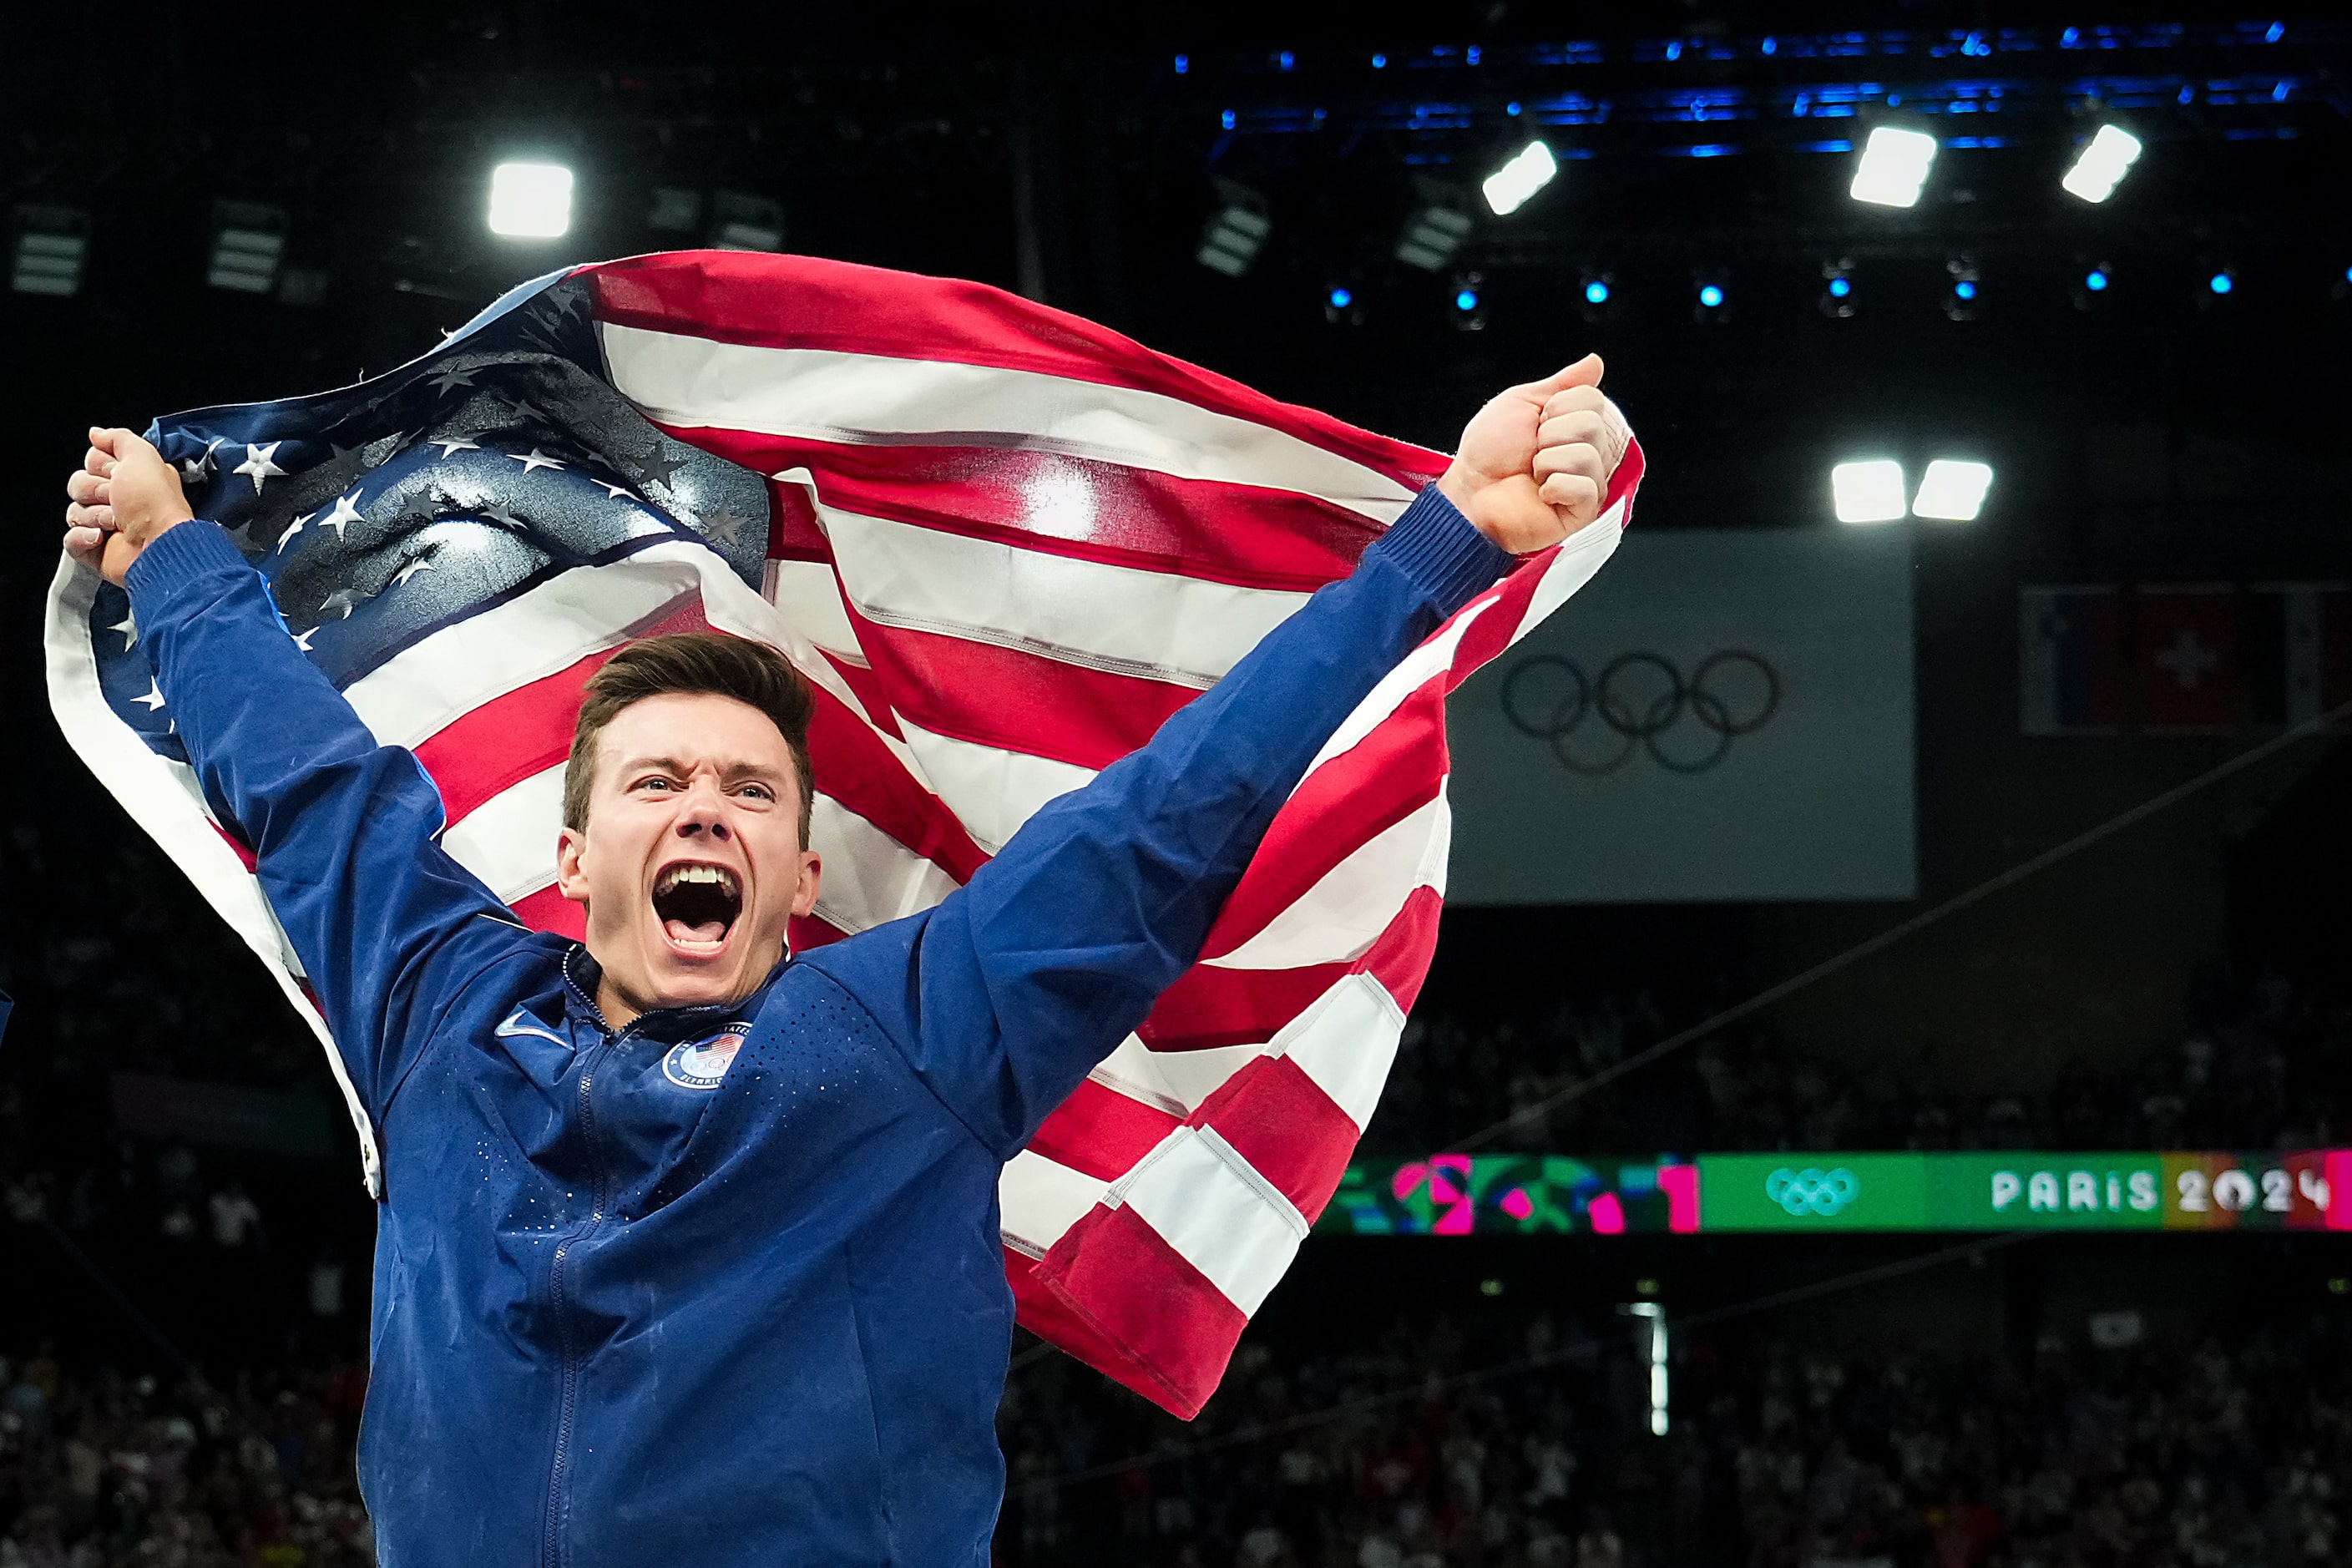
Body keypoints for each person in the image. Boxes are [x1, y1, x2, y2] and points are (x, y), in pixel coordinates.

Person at [61, 357, 1631, 1567]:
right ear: (569, 857)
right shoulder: (437, 1010)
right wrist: (172, 560)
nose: (706, 811)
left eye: (750, 792)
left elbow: (1166, 818)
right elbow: (310, 782)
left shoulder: (906, 1041)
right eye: (659, 785)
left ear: (802, 874)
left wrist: (1443, 546)